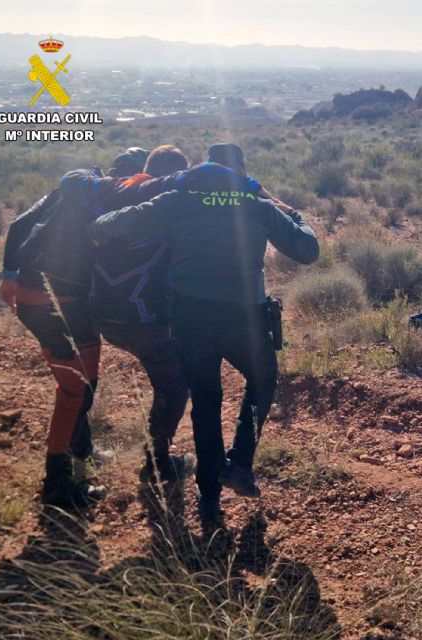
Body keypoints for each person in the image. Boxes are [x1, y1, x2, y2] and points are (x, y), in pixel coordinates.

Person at [87, 144, 320, 519]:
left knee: (207, 403)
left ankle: (209, 499)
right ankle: (239, 463)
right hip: (244, 319)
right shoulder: (256, 206)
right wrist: (285, 207)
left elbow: (109, 225)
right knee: (263, 380)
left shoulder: (178, 202)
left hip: (190, 320)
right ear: (241, 174)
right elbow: (308, 250)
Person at [0, 145, 190, 505]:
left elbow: (19, 222)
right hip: (58, 301)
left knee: (83, 384)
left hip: (44, 298)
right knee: (74, 391)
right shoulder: (115, 196)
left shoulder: (74, 191)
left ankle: (80, 452)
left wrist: (10, 274)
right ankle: (57, 486)